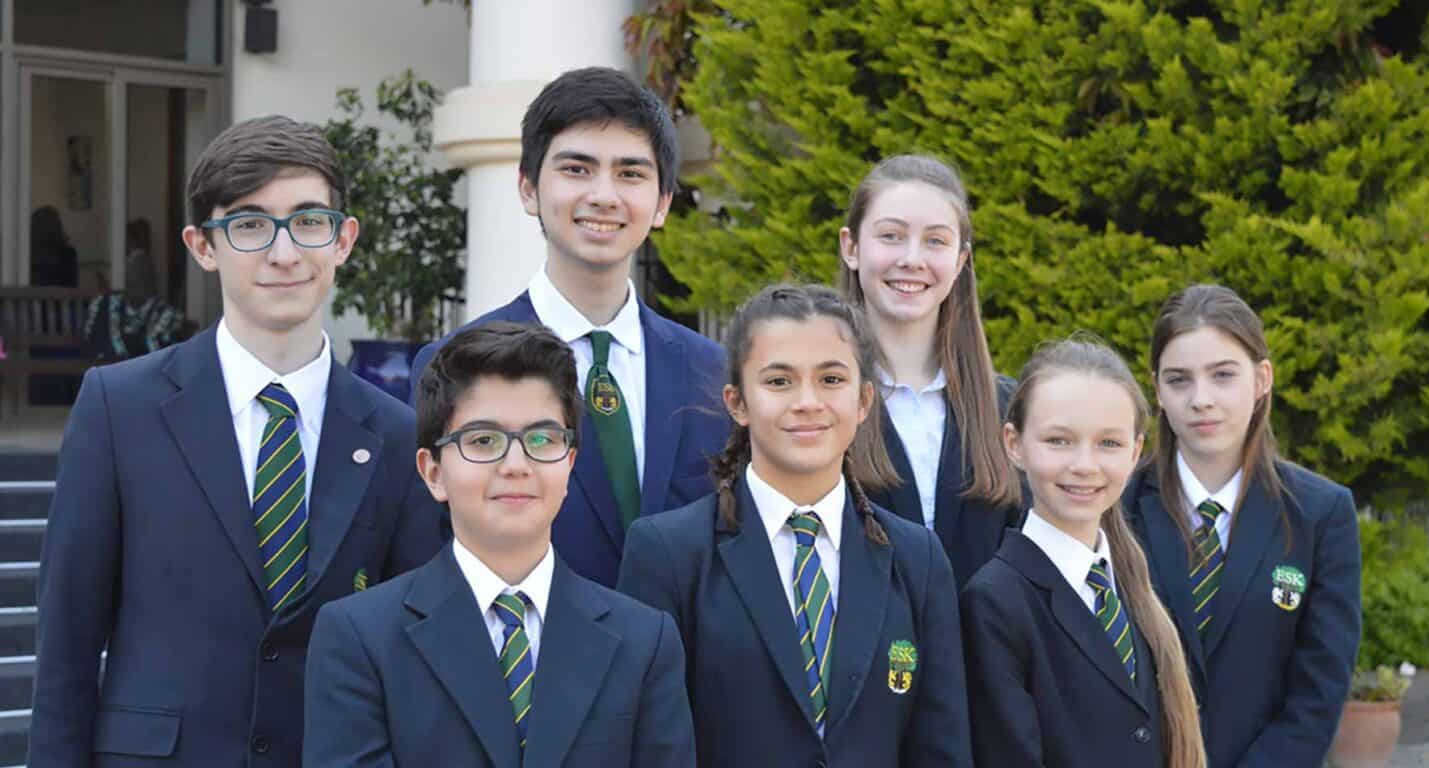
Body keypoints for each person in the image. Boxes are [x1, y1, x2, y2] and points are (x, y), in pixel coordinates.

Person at [29, 115, 446, 767]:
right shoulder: (119, 409)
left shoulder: (396, 435)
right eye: (251, 225)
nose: (284, 253)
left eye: (309, 221)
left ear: (343, 240)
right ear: (203, 245)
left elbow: (412, 655)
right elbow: (66, 649)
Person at [306, 322, 695, 767]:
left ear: (569, 463)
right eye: (484, 440)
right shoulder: (360, 639)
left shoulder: (644, 642)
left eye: (542, 439)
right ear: (433, 472)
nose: (515, 464)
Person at [617, 284, 971, 766]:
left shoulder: (918, 560)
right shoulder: (667, 554)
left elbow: (941, 749)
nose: (807, 401)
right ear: (737, 402)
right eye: (779, 381)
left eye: (831, 379)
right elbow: (649, 746)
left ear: (865, 400)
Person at [410, 66, 729, 588]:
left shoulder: (711, 372)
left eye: (630, 173)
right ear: (529, 189)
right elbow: (432, 551)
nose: (604, 195)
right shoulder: (457, 364)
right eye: (577, 169)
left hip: (683, 665)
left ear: (663, 203)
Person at [1125, 284, 1361, 768]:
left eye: (1222, 376)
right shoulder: (1117, 508)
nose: (1201, 399)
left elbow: (1319, 688)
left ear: (1261, 380)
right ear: (1158, 392)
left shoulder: (1321, 514)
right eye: (1179, 380)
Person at [963, 336, 1205, 768]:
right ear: (1014, 444)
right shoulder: (994, 602)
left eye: (1108, 444)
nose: (1084, 465)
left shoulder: (1133, 587)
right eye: (1059, 440)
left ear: (1135, 452)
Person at [838, 154, 1022, 590]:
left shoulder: (1009, 411)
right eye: (891, 236)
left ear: (960, 262)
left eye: (935, 241)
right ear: (851, 247)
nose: (912, 259)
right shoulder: (816, 408)